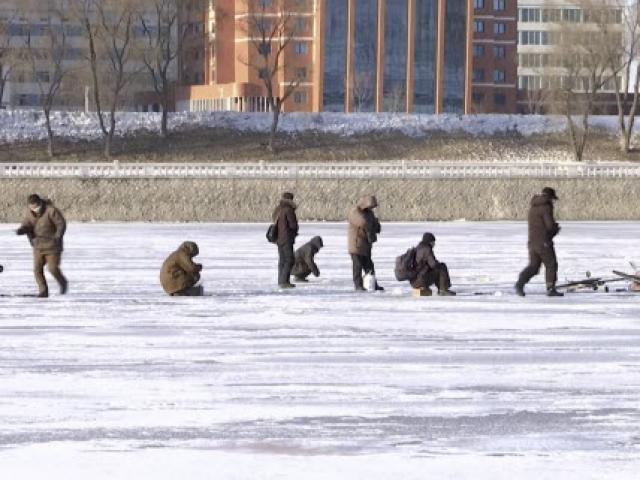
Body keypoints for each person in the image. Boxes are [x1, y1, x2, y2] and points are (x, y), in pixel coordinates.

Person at [16, 194, 68, 298]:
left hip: (52, 247)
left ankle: (63, 283)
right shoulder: (29, 213)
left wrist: (57, 236)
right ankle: (43, 291)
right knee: (37, 270)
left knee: (52, 268)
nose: (34, 209)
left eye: (35, 206)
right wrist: (22, 230)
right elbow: (27, 224)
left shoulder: (51, 211)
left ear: (40, 203)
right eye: (31, 207)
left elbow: (61, 224)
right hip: (38, 247)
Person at [516, 187, 563, 297]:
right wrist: (555, 229)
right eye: (553, 199)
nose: (553, 202)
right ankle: (551, 288)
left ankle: (520, 283)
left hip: (532, 242)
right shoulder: (546, 207)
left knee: (533, 266)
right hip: (544, 242)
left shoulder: (533, 207)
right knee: (551, 264)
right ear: (549, 198)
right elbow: (549, 225)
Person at [348, 195, 383, 291]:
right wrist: (372, 223)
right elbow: (363, 222)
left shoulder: (369, 213)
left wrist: (376, 225)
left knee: (369, 266)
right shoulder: (355, 212)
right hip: (356, 245)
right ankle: (358, 285)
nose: (371, 208)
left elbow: (375, 225)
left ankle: (373, 284)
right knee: (357, 266)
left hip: (366, 245)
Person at [272, 192, 299, 289]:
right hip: (287, 238)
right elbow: (293, 225)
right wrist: (294, 231)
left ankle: (281, 280)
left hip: (279, 239)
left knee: (282, 260)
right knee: (289, 260)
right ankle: (284, 281)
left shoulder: (278, 210)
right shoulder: (289, 210)